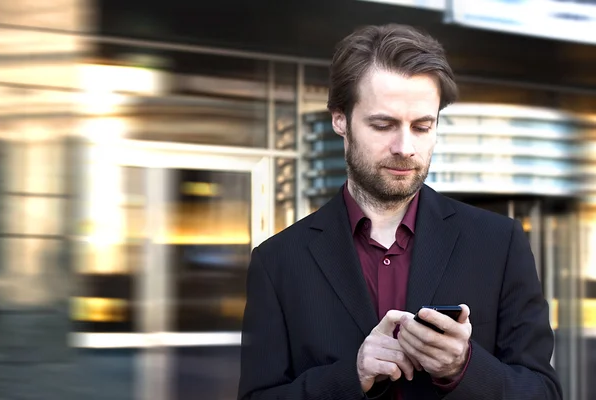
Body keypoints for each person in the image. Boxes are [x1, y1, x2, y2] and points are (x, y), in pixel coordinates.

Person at [237, 23, 562, 400]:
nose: (405, 147)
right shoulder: (278, 262)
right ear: (340, 119)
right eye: (383, 124)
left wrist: (463, 367)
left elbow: (543, 392)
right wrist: (351, 375)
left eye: (422, 127)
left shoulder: (500, 244)